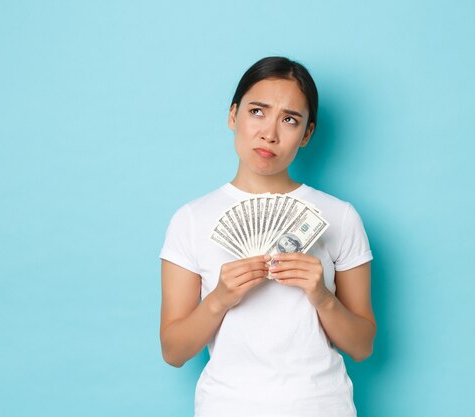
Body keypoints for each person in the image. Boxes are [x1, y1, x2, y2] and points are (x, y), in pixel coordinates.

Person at [159, 56, 376, 417]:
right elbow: (174, 351)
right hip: (226, 407)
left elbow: (363, 345)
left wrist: (321, 297)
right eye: (257, 111)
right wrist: (219, 299)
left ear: (306, 134)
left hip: (322, 407)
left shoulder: (340, 216)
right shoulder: (191, 219)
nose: (269, 133)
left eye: (289, 119)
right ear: (233, 116)